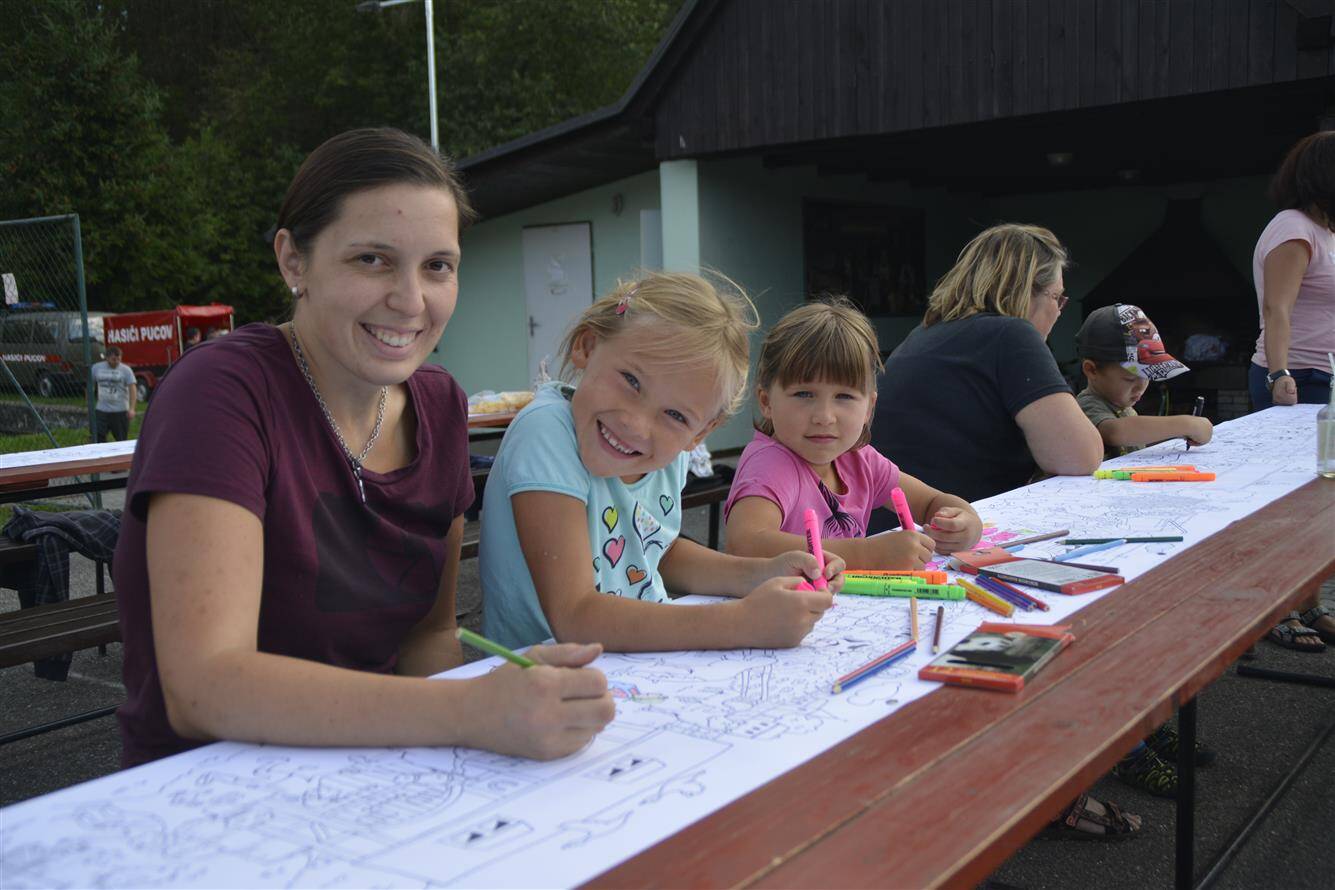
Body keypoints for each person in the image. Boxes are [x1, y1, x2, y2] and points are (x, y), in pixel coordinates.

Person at [113, 128, 614, 768]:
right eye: (372, 259)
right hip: (210, 787)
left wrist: (476, 744)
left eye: (438, 266)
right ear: (294, 262)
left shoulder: (440, 403)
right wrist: (472, 710)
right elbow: (204, 687)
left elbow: (429, 635)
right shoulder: (220, 391)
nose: (410, 301)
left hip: (378, 771)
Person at [479, 272, 842, 652]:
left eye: (675, 415)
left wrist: (762, 572)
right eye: (631, 381)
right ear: (588, 345)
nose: (636, 425)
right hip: (540, 675)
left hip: (639, 667)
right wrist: (743, 622)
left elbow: (656, 552)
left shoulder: (669, 455)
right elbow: (574, 614)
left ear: (700, 433)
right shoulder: (547, 433)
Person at [724, 297, 982, 570]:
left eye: (844, 396)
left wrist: (964, 523)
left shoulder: (859, 460)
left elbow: (929, 502)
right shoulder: (770, 466)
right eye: (804, 394)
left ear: (869, 408)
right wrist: (867, 554)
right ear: (766, 402)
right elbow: (745, 545)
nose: (824, 416)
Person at [870, 224, 1103, 506]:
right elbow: (1080, 456)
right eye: (1056, 297)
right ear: (1026, 292)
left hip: (888, 519)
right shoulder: (1011, 334)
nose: (1058, 310)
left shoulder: (924, 333)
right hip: (946, 522)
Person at [1247, 132, 1335, 652]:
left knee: (1320, 502)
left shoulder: (1326, 231)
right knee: (1285, 502)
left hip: (1326, 378)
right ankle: (1277, 611)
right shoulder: (1293, 228)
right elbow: (1276, 308)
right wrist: (1280, 374)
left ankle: (1309, 603)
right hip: (1296, 379)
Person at [1075, 304, 1213, 458]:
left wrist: (1178, 433)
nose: (1141, 386)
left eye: (1147, 376)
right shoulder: (1086, 405)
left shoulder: (1125, 408)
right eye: (1130, 378)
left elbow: (1137, 441)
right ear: (1091, 370)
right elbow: (1115, 432)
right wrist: (1185, 424)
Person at [90, 345, 137, 442]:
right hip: (102, 410)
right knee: (98, 438)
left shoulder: (126, 370)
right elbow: (90, 385)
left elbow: (132, 388)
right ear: (107, 358)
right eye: (113, 359)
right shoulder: (96, 368)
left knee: (121, 440)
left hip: (120, 411)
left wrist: (132, 408)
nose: (116, 362)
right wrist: (90, 403)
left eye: (119, 359)